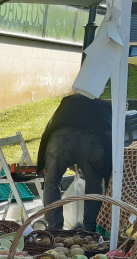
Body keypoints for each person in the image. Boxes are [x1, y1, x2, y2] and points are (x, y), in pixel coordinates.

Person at [37, 93, 112, 231]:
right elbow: (107, 133)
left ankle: (54, 229)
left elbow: (57, 125)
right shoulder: (102, 106)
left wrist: (72, 156)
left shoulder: (68, 101)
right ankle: (90, 230)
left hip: (60, 140)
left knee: (51, 181)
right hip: (92, 142)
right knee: (94, 185)